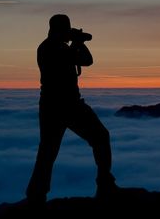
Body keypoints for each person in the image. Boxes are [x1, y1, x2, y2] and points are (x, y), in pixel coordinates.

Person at [26, 14, 118, 205]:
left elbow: (84, 60)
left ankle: (36, 195)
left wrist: (76, 42)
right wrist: (78, 42)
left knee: (48, 152)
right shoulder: (54, 48)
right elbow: (87, 60)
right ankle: (105, 185)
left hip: (54, 105)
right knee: (99, 137)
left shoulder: (50, 46)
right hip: (65, 105)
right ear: (60, 30)